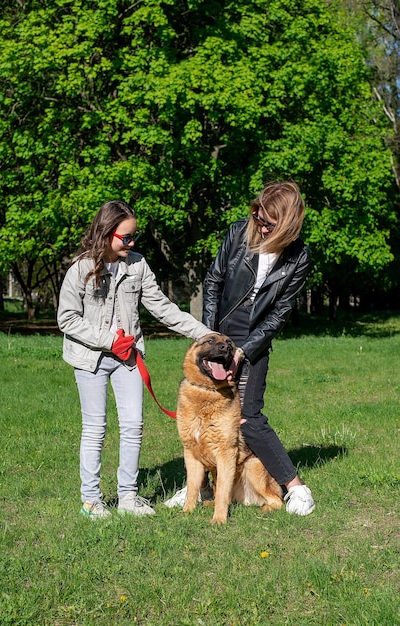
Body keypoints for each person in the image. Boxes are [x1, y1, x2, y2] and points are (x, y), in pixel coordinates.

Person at [165, 181, 315, 515]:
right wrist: (211, 336)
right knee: (199, 414)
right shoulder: (238, 233)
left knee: (247, 417)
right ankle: (197, 487)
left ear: (288, 223)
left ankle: (296, 488)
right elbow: (214, 280)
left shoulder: (298, 256)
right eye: (258, 217)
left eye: (269, 224)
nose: (261, 226)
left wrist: (244, 350)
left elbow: (279, 313)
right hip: (221, 333)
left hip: (256, 339)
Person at [57, 200, 211, 519]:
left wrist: (204, 334)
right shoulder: (81, 269)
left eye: (134, 237)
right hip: (91, 359)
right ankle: (91, 501)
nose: (131, 243)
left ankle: (128, 497)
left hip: (128, 358)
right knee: (95, 427)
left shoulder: (137, 265)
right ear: (105, 233)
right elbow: (66, 318)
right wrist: (109, 340)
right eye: (125, 237)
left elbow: (163, 308)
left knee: (133, 425)